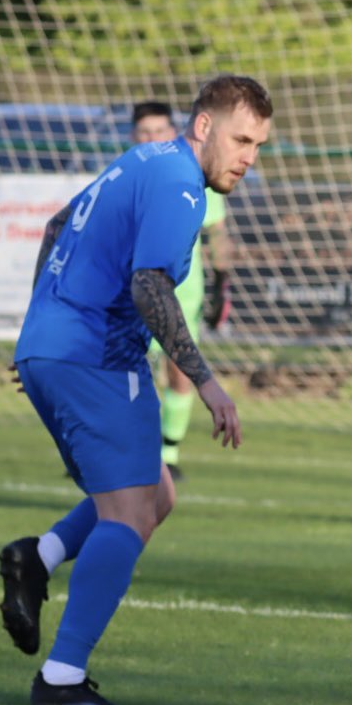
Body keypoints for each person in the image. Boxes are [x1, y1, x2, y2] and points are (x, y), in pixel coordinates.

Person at [0, 75, 272, 705]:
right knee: (130, 515)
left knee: (159, 491)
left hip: (52, 347)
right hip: (96, 358)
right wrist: (207, 382)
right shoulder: (181, 186)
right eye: (241, 139)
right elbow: (150, 286)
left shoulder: (142, 159)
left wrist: (40, 327)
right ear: (204, 126)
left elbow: (56, 224)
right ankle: (61, 678)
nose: (249, 158)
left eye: (258, 145)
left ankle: (38, 557)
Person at [132, 101, 234, 481]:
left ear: (172, 132)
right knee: (126, 377)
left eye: (159, 130)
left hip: (181, 297)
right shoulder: (127, 177)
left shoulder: (193, 176)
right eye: (144, 131)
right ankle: (121, 450)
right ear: (132, 136)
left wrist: (222, 286)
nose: (151, 138)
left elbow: (217, 233)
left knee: (180, 374)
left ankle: (168, 456)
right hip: (130, 298)